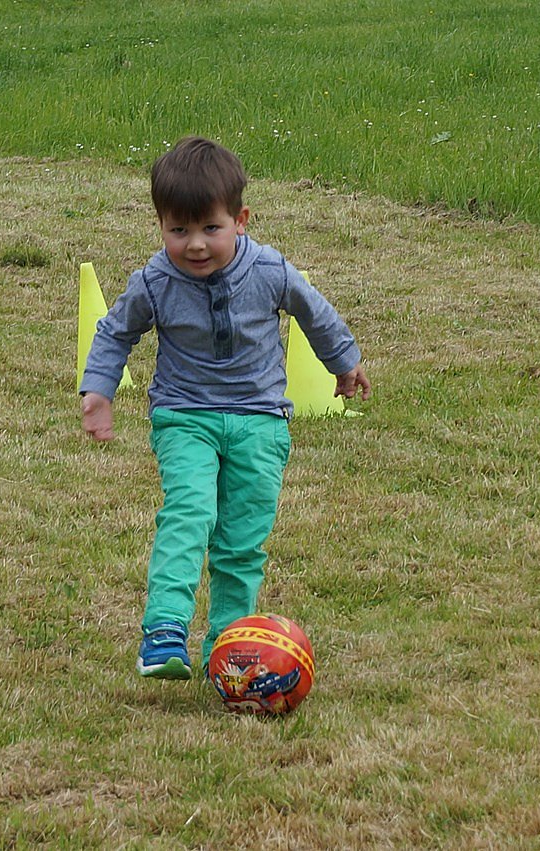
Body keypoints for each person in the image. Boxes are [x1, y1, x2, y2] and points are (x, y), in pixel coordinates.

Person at [79, 136, 371, 681]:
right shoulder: (154, 281)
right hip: (184, 417)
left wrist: (344, 362)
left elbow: (315, 313)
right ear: (160, 225)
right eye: (178, 231)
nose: (195, 245)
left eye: (210, 228)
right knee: (189, 513)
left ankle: (229, 647)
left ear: (240, 220)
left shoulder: (269, 270)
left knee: (241, 541)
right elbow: (115, 331)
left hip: (260, 422)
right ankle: (164, 629)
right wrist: (99, 390)